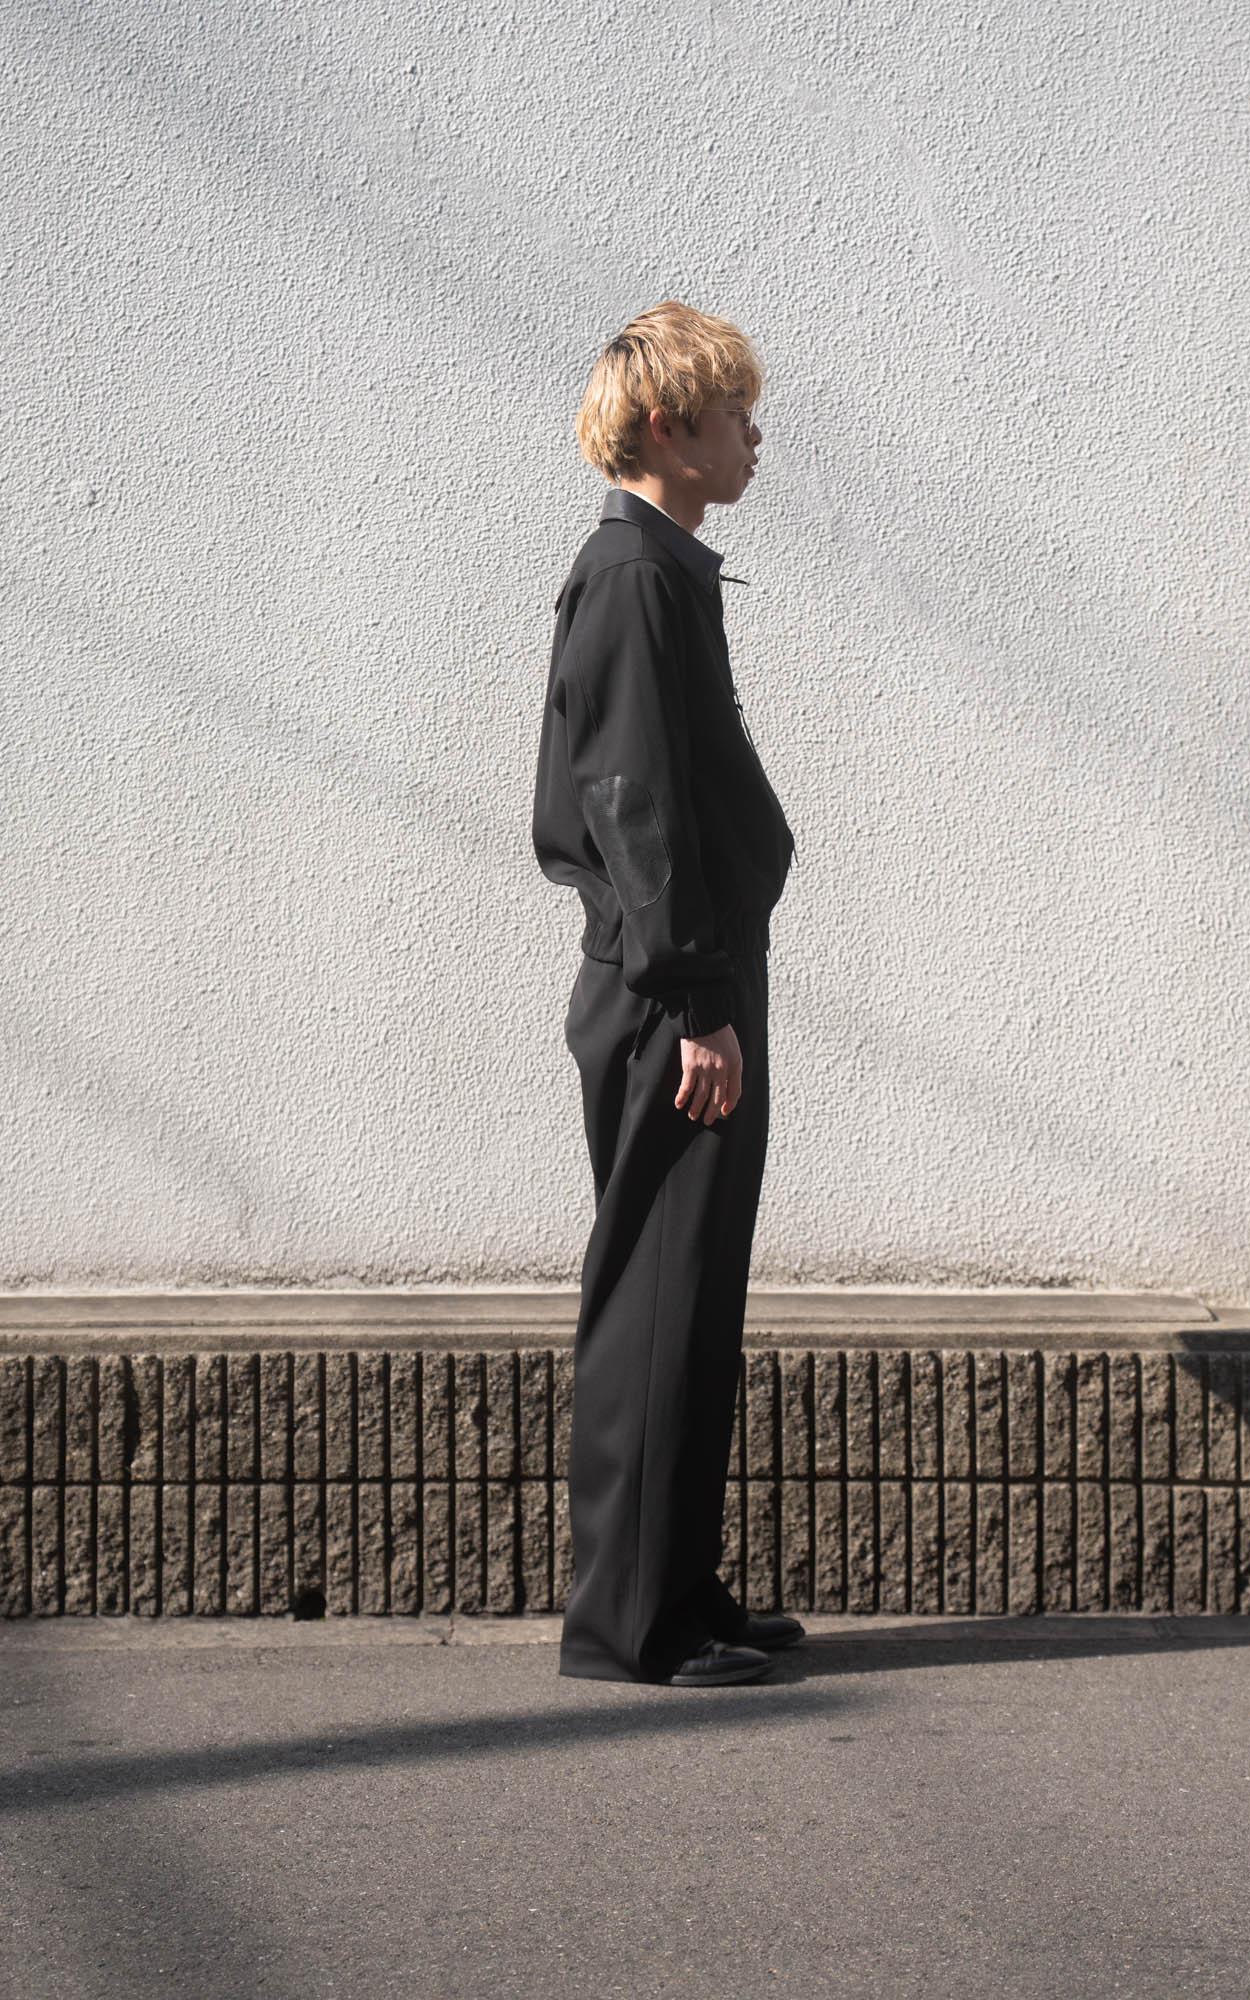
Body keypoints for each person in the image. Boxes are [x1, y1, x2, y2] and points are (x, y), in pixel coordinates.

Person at [532, 302, 803, 1687]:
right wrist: (696, 1002)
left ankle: (681, 1591)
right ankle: (628, 1625)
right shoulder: (633, 576)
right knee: (655, 1293)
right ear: (665, 427)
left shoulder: (665, 571)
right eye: (734, 414)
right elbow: (629, 802)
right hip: (667, 991)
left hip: (692, 975)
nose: (755, 437)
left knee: (693, 1293)